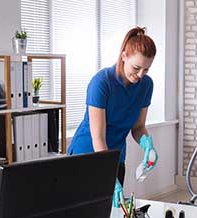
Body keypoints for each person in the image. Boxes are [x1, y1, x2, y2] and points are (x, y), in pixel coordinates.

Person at [67, 26, 157, 207]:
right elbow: (98, 137)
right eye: (137, 67)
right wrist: (108, 174)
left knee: (112, 210)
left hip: (115, 157)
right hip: (87, 156)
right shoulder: (101, 82)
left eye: (146, 70)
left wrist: (147, 145)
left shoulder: (146, 85)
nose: (140, 75)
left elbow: (138, 127)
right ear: (124, 56)